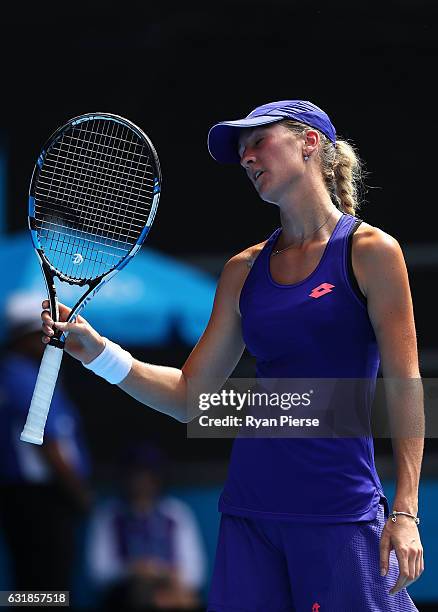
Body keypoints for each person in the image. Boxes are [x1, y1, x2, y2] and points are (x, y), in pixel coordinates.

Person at [40, 100, 424, 610]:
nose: (245, 158)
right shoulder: (243, 271)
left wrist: (405, 511)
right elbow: (188, 396)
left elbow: (405, 384)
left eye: (258, 142)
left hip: (338, 511)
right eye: (241, 152)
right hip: (249, 513)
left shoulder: (372, 253)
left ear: (309, 142)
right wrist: (96, 351)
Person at [0, 292, 93, 593]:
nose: (50, 342)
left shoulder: (23, 372)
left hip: (39, 499)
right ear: (25, 336)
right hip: (41, 501)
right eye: (44, 335)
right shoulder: (22, 375)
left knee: (39, 584)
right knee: (44, 587)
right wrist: (78, 494)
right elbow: (48, 444)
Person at [86, 441, 206, 610]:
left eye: (148, 475)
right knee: (142, 592)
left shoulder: (176, 514)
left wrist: (162, 574)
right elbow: (99, 573)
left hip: (172, 588)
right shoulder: (108, 516)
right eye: (134, 475)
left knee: (184, 599)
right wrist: (134, 570)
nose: (141, 482)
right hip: (125, 593)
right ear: (124, 477)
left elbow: (195, 573)